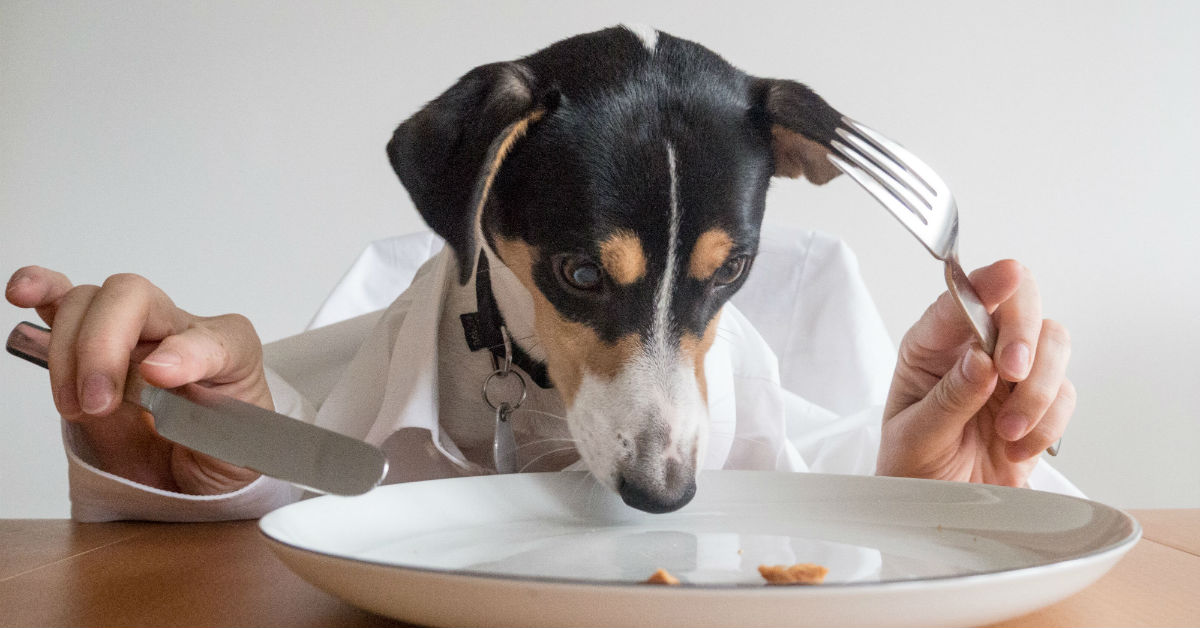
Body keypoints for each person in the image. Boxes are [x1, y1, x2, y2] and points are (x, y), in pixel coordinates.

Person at [5, 224, 1075, 522]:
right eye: (580, 277)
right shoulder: (319, 404)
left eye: (710, 284)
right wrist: (191, 475)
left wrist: (940, 520)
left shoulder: (802, 412)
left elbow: (842, 491)